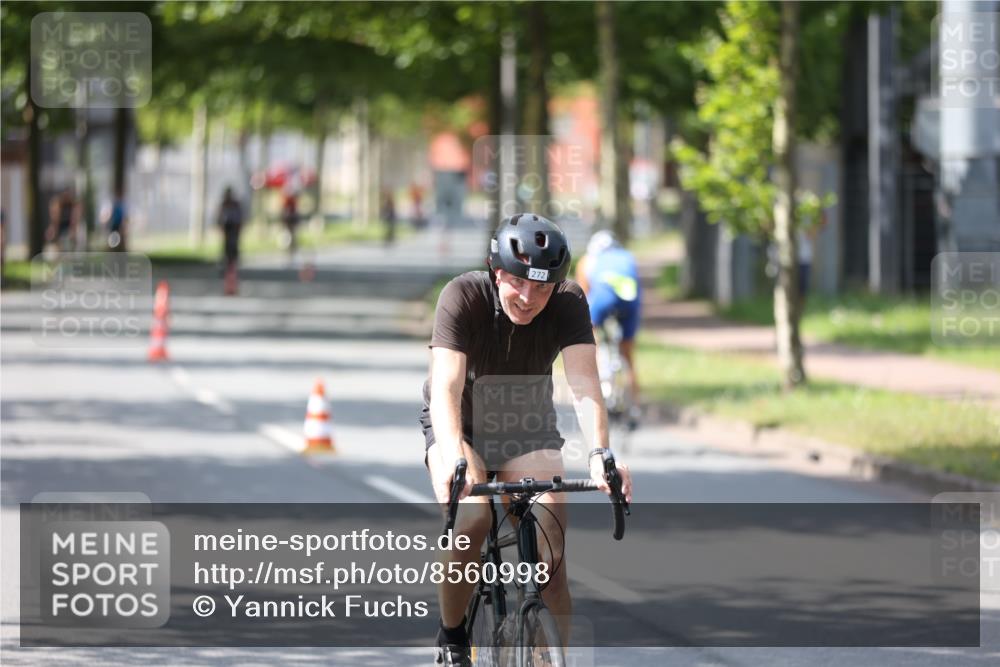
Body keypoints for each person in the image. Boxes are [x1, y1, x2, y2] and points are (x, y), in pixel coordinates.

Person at [421, 214, 633, 666]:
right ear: (497, 271)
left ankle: (552, 658)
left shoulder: (570, 301)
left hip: (525, 428)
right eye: (518, 282)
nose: (528, 297)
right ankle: (453, 638)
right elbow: (446, 388)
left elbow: (584, 384)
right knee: (474, 520)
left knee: (550, 557)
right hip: (461, 425)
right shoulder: (463, 296)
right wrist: (455, 457)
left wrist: (599, 453)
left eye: (542, 287)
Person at [574, 230, 642, 403]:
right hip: (630, 301)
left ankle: (599, 379)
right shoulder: (627, 256)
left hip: (603, 300)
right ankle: (635, 403)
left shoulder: (587, 260)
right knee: (628, 354)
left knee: (589, 335)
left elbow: (583, 295)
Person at [217, 187, 244, 292]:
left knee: (233, 251)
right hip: (227, 231)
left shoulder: (235, 204)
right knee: (227, 251)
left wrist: (239, 228)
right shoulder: (224, 204)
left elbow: (239, 218)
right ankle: (228, 270)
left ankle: (233, 272)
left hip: (234, 230)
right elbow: (219, 218)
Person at [47, 187, 80, 253]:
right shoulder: (57, 203)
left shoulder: (73, 204)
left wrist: (73, 231)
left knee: (70, 241)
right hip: (60, 224)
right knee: (57, 242)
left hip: (68, 224)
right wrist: (53, 229)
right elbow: (55, 219)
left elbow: (74, 218)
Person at [280, 190, 299, 264]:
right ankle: (289, 250)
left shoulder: (292, 201)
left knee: (292, 235)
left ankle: (291, 250)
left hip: (291, 219)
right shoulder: (286, 200)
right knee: (289, 235)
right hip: (289, 219)